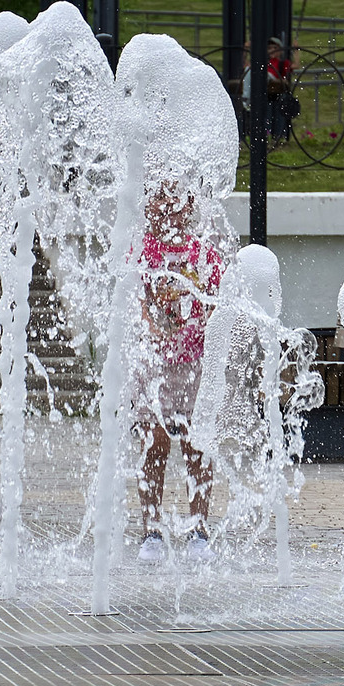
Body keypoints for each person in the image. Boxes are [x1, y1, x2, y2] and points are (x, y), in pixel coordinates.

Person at [130, 175, 223, 564]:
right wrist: (156, 324)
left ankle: (198, 526)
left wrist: (198, 319)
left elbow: (217, 304)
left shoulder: (203, 254)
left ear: (190, 203)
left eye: (177, 196)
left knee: (196, 446)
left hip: (195, 365)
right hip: (154, 365)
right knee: (153, 445)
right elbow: (135, 302)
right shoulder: (141, 252)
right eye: (158, 195)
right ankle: (151, 528)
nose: (168, 204)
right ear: (147, 201)